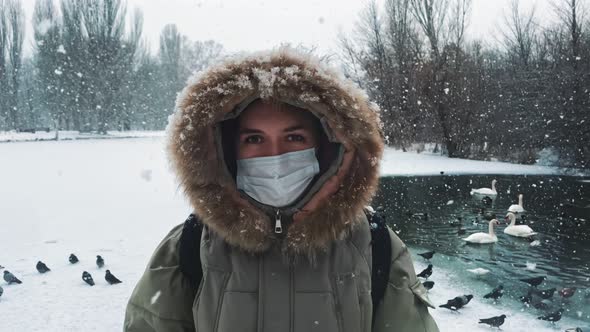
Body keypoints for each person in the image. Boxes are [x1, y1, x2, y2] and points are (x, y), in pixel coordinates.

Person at [124, 48, 439, 332]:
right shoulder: (191, 247)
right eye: (254, 139)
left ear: (325, 148)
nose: (274, 156)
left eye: (294, 138)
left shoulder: (374, 245)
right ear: (228, 151)